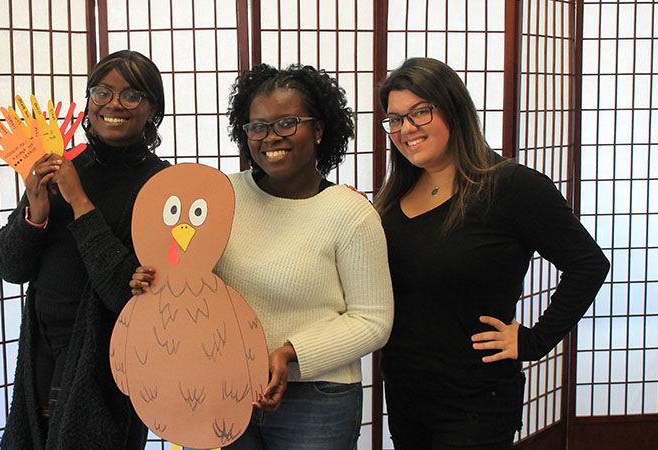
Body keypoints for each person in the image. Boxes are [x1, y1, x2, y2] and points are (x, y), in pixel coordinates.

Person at [130, 64, 394, 449]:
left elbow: (374, 320)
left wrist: (290, 354)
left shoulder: (350, 213)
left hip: (316, 399)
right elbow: (187, 274)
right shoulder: (219, 198)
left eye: (288, 122)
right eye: (258, 126)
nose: (271, 137)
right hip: (218, 386)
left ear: (319, 129)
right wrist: (153, 281)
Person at [375, 57, 610, 450]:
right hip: (405, 395)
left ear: (453, 108)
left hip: (476, 402)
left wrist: (534, 340)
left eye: (420, 112)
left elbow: (588, 264)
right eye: (395, 120)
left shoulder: (510, 187)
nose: (406, 129)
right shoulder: (391, 200)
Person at [0, 50, 170, 449]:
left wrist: (79, 201)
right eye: (102, 91)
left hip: (104, 363)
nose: (113, 104)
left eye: (131, 95)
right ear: (89, 102)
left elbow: (126, 295)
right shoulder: (63, 163)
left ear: (152, 109)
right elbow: (9, 266)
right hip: (40, 350)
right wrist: (34, 213)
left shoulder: (161, 186)